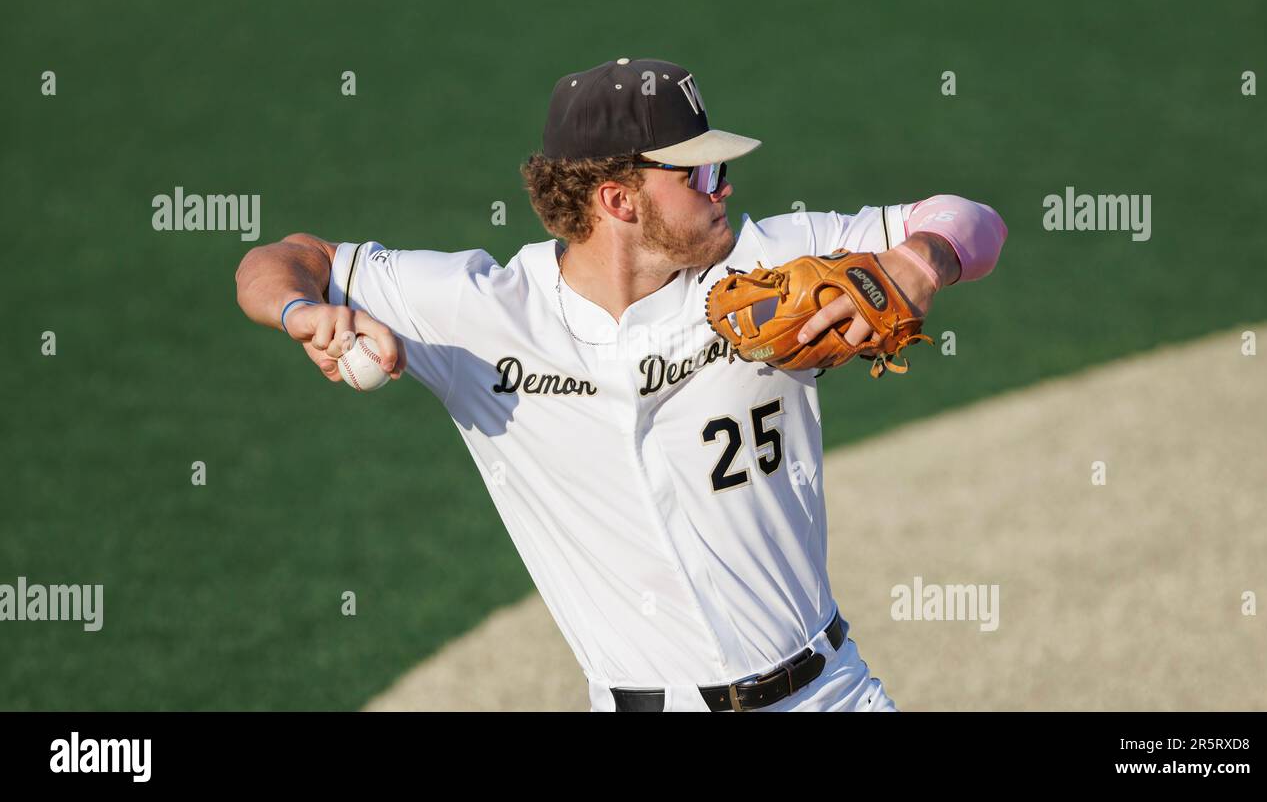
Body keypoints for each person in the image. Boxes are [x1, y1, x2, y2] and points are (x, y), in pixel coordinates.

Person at [235, 57, 1007, 711]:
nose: (724, 187)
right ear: (617, 199)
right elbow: (283, 257)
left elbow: (973, 219)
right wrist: (304, 311)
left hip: (826, 694)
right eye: (702, 169)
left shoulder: (770, 264)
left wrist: (919, 260)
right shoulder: (481, 312)